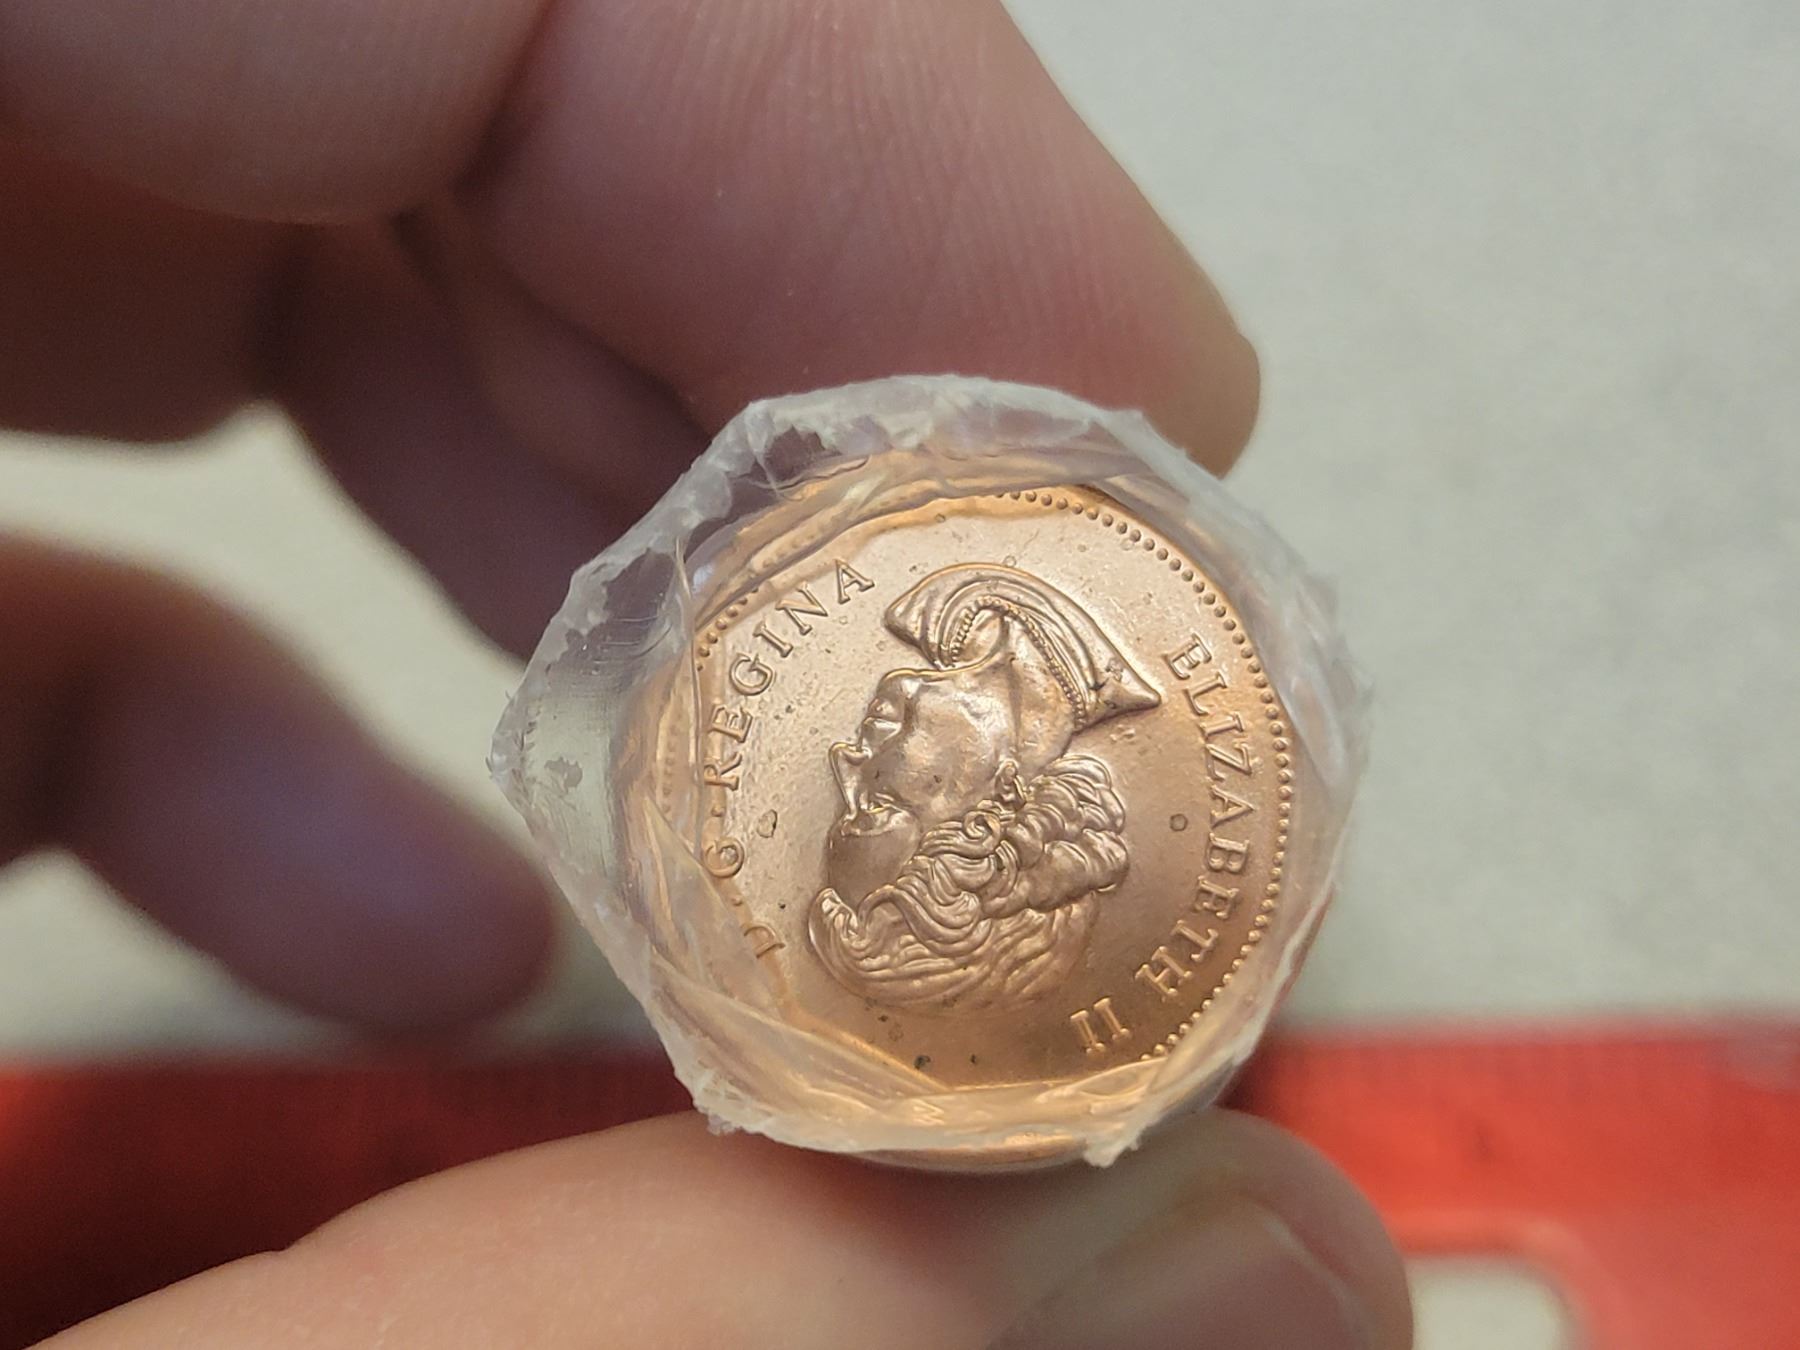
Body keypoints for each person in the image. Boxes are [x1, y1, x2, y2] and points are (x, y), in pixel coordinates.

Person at [0, 3, 1411, 1346]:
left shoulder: (985, 930)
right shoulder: (883, 922)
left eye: (920, 706)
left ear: (1003, 793)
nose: (861, 730)